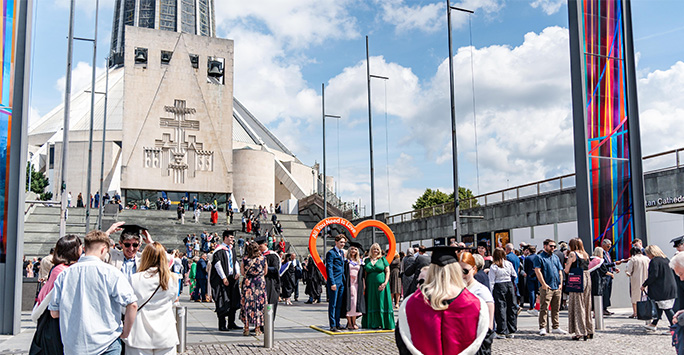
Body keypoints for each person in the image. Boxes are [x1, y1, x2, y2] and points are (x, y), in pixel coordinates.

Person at [48, 230, 138, 355]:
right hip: (107, 343)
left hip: (74, 345)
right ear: (103, 250)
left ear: (84, 248)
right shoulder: (112, 273)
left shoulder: (64, 275)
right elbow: (132, 304)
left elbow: (54, 312)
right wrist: (125, 332)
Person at [396, 246, 489, 354]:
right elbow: (484, 349)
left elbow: (403, 347)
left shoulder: (409, 305)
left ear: (431, 270)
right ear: (456, 270)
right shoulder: (477, 305)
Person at [30, 235, 82, 354]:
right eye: (80, 246)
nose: (82, 249)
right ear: (74, 250)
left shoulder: (59, 268)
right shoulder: (62, 271)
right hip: (54, 322)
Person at [124, 242, 180, 354]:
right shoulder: (172, 278)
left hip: (139, 333)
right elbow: (174, 300)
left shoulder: (135, 278)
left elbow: (128, 305)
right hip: (165, 333)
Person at [459, 251, 496, 353]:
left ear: (474, 269)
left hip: (476, 344)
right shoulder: (453, 289)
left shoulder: (482, 291)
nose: (461, 275)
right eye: (457, 271)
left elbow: (489, 325)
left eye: (465, 271)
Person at [210, 230, 241, 331]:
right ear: (225, 238)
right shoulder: (219, 250)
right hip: (221, 280)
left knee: (233, 300)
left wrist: (237, 272)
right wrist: (223, 277)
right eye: (231, 238)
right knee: (222, 301)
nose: (233, 240)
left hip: (232, 279)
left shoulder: (231, 249)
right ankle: (222, 324)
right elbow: (217, 265)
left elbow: (235, 261)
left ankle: (231, 323)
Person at [533, 239, 566, 336]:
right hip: (546, 287)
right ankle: (542, 327)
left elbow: (560, 270)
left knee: (556, 308)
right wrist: (543, 284)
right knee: (544, 308)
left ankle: (556, 326)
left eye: (554, 246)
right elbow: (537, 271)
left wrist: (560, 284)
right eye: (551, 246)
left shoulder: (555, 257)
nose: (553, 248)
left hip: (556, 286)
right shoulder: (539, 257)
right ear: (545, 246)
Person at [643, 245, 677, 331]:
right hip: (669, 287)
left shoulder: (655, 261)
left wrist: (644, 284)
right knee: (659, 307)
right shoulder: (666, 259)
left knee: (667, 308)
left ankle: (675, 327)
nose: (647, 256)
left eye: (647, 254)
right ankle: (653, 324)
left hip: (661, 289)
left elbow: (654, 275)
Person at [565, 238, 593, 340]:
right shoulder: (586, 254)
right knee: (587, 304)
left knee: (578, 305)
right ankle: (589, 329)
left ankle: (580, 331)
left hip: (576, 279)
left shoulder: (572, 254)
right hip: (587, 277)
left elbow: (567, 270)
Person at [362, 243, 395, 330]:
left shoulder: (383, 259)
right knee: (371, 302)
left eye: (377, 249)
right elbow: (364, 274)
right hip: (370, 285)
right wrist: (364, 284)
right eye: (374, 249)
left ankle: (384, 323)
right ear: (371, 250)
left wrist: (385, 282)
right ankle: (372, 323)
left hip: (381, 285)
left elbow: (387, 271)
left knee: (382, 302)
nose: (375, 251)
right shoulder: (366, 260)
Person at [489, 247, 517, 339]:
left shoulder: (494, 266)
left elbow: (491, 281)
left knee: (501, 308)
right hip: (509, 285)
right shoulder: (508, 264)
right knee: (511, 307)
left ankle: (502, 330)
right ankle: (511, 329)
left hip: (499, 285)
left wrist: (491, 292)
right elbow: (514, 274)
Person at [240, 242, 267, 336]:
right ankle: (257, 328)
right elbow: (265, 272)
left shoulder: (245, 259)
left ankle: (246, 328)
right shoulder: (263, 259)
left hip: (248, 284)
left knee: (247, 305)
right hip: (259, 284)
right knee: (258, 305)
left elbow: (242, 272)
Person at [256, 234, 281, 323]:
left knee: (269, 303)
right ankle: (259, 324)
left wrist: (263, 267)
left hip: (270, 282)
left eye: (260, 246)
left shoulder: (272, 255)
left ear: (265, 244)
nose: (259, 248)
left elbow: (275, 269)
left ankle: (268, 325)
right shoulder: (257, 256)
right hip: (259, 283)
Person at [326, 234, 347, 331]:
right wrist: (332, 282)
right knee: (333, 304)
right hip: (334, 281)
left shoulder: (342, 253)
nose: (343, 244)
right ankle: (332, 324)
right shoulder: (331, 253)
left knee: (339, 304)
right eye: (341, 242)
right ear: (336, 242)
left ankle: (338, 323)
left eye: (344, 242)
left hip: (341, 281)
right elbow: (329, 268)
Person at [343, 242, 365, 330]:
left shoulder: (360, 262)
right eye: (352, 249)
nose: (353, 251)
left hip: (357, 284)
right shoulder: (346, 261)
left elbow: (363, 274)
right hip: (348, 284)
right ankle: (349, 322)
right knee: (349, 302)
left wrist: (363, 284)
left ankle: (354, 322)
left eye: (355, 249)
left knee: (356, 303)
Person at [625, 246, 650, 318]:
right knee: (645, 295)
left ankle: (635, 312)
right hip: (646, 278)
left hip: (636, 279)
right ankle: (645, 311)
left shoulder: (633, 259)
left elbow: (628, 271)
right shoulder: (646, 258)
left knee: (635, 296)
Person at [601, 238, 621, 315]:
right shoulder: (601, 254)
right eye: (608, 246)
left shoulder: (607, 253)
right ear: (603, 246)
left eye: (610, 246)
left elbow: (609, 263)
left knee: (608, 292)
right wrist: (614, 264)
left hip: (610, 274)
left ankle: (605, 308)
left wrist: (614, 268)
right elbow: (603, 265)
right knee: (605, 292)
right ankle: (602, 308)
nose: (609, 248)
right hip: (605, 275)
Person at [523, 245, 539, 314]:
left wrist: (527, 272)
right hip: (537, 275)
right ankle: (538, 305)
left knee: (531, 291)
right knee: (538, 291)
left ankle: (532, 305)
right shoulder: (538, 257)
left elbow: (525, 268)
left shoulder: (527, 258)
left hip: (530, 275)